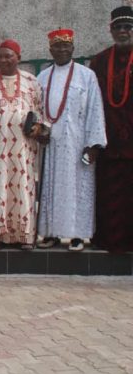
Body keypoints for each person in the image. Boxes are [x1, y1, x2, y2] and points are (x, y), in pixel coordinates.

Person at [37, 29, 106, 252]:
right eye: (57, 46)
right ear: (50, 50)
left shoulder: (86, 76)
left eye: (65, 46)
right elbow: (36, 109)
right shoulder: (42, 77)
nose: (61, 50)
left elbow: (95, 109)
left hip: (77, 143)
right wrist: (39, 131)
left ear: (73, 48)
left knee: (78, 189)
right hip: (51, 144)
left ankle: (78, 235)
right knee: (51, 189)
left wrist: (93, 144)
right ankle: (51, 233)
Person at [0, 40, 46, 250]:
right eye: (0, 56)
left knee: (24, 187)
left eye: (8, 56)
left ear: (18, 57)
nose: (3, 60)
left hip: (24, 148)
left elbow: (40, 111)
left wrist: (38, 128)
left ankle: (25, 236)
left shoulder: (31, 81)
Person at [90, 6, 133, 253]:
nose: (123, 31)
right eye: (118, 27)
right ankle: (110, 241)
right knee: (110, 195)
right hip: (108, 142)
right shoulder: (99, 61)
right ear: (111, 30)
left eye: (128, 27)